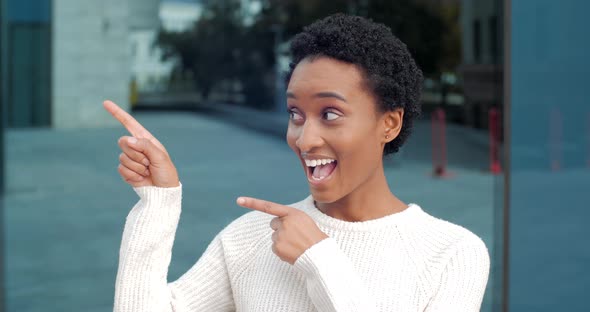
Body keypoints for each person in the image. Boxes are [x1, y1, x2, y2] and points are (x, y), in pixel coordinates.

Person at [105, 14, 489, 312]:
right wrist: (158, 203)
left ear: (389, 123)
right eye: (295, 114)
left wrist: (320, 261)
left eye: (331, 114)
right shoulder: (251, 236)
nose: (304, 139)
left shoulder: (452, 253)